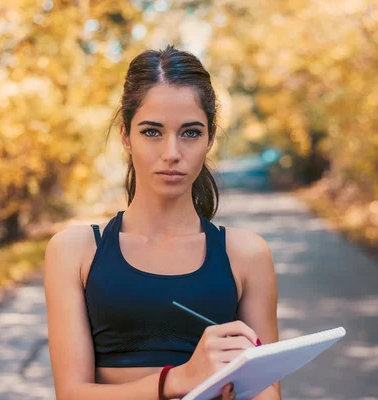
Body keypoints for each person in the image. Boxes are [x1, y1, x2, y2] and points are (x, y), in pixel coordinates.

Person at [44, 45, 280, 400]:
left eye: (190, 133)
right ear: (126, 136)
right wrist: (177, 380)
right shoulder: (75, 252)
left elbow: (267, 391)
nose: (171, 152)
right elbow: (71, 394)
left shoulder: (246, 254)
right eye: (152, 132)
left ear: (210, 139)